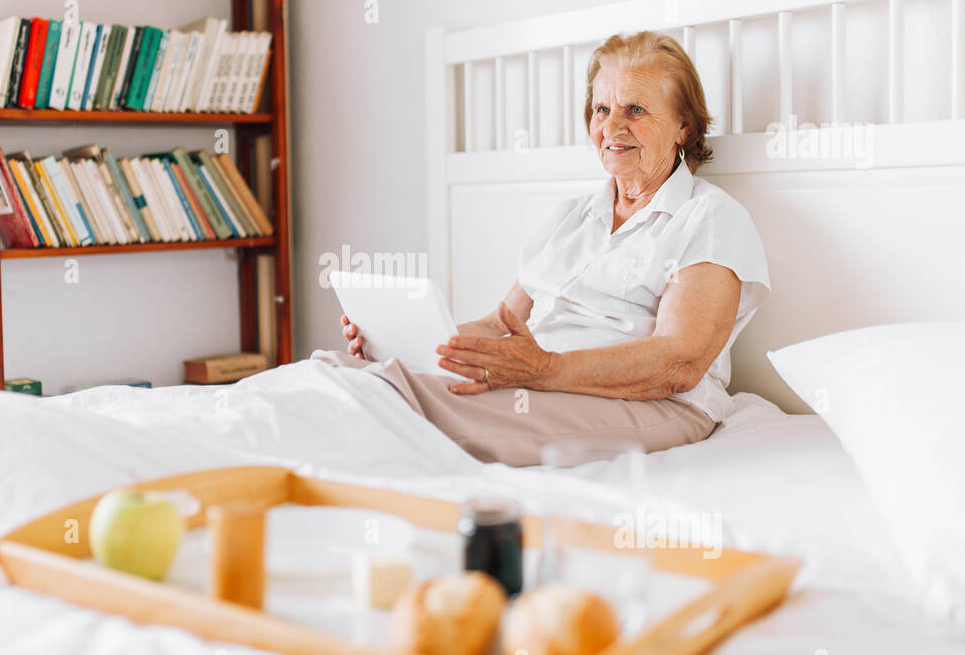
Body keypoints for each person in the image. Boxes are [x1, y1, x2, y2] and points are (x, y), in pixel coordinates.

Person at [317, 30, 770, 467]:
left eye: (634, 109)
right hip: (544, 384)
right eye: (600, 109)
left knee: (395, 403)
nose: (611, 126)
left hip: (657, 402)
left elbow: (678, 364)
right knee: (336, 372)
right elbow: (501, 323)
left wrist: (543, 370)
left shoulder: (709, 217)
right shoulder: (574, 216)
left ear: (683, 126)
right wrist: (407, 343)